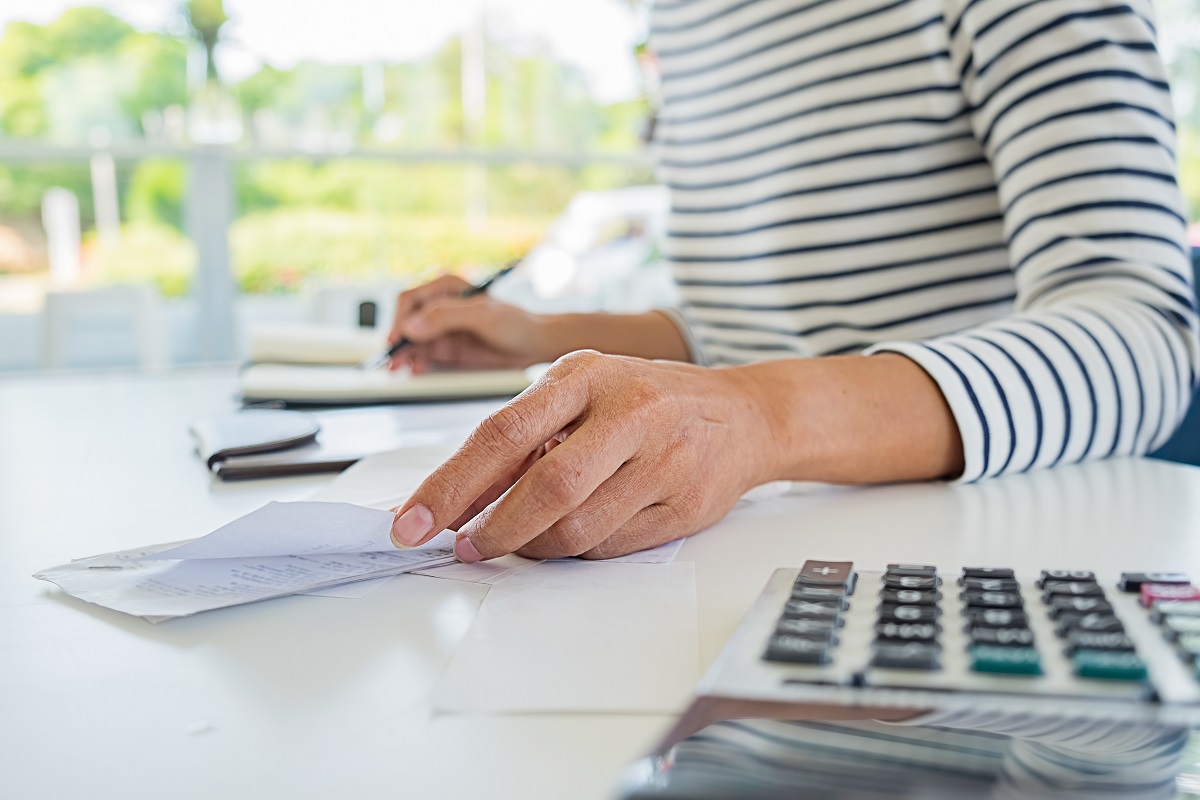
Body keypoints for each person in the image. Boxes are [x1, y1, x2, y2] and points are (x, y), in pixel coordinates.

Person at [386, 0, 1198, 566]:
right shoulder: (679, 15)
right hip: (744, 556)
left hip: (981, 550)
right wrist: (535, 336)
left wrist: (758, 419)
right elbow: (747, 328)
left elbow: (1145, 338)